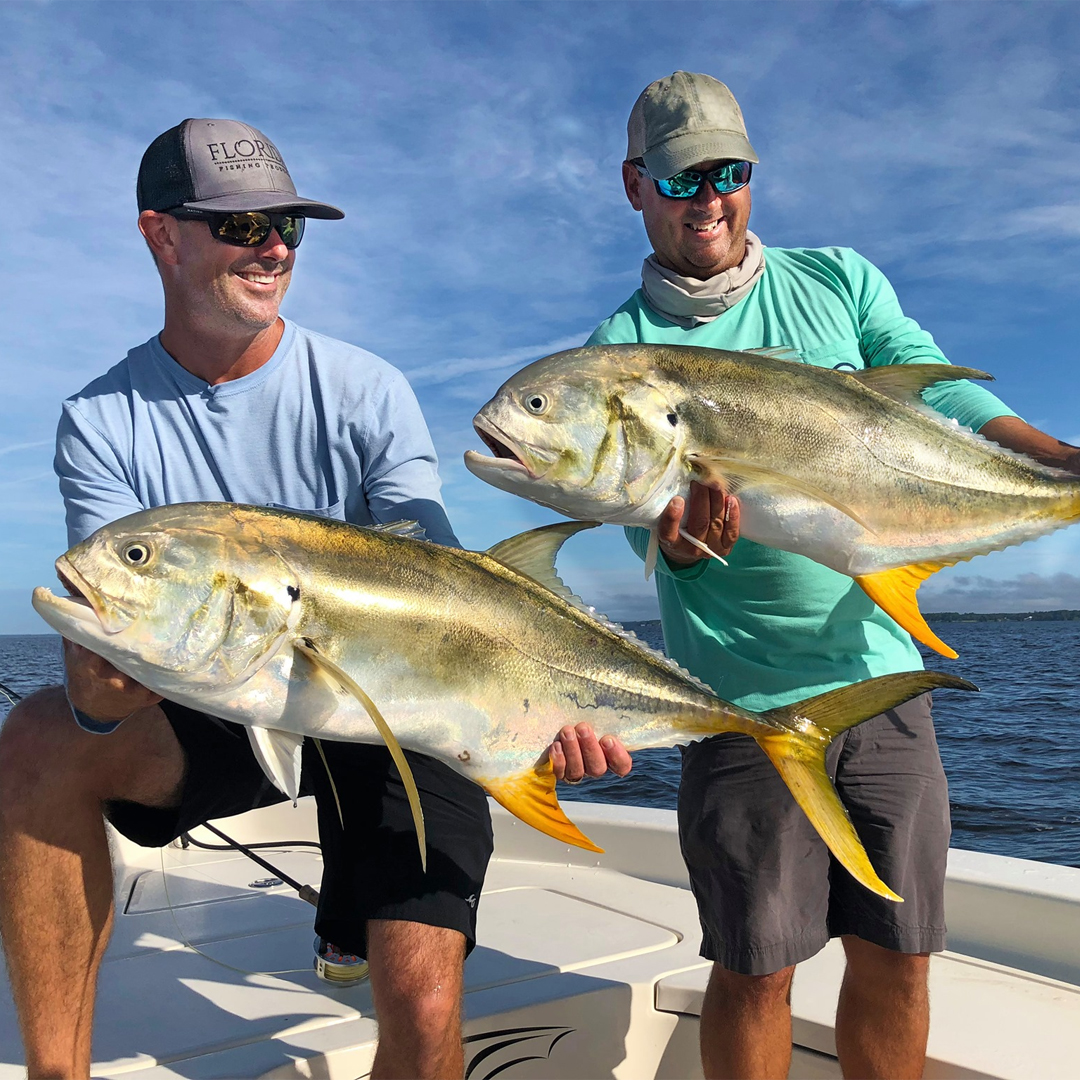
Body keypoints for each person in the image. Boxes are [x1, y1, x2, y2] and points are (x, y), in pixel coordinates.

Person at [576, 72, 1080, 1080]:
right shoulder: (619, 355)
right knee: (757, 969)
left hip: (882, 680)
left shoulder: (839, 283)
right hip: (744, 700)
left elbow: (938, 391)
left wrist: (1061, 465)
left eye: (730, 173)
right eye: (681, 181)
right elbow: (647, 527)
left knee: (900, 954)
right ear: (636, 185)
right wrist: (682, 547)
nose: (708, 199)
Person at [0, 117, 519, 1080]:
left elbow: (450, 590)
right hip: (222, 698)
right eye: (241, 226)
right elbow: (106, 663)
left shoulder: (365, 389)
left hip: (396, 705)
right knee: (35, 739)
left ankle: (354, 909)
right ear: (161, 235)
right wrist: (98, 692)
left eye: (287, 225)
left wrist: (530, 719)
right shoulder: (101, 420)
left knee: (422, 998)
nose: (274, 246)